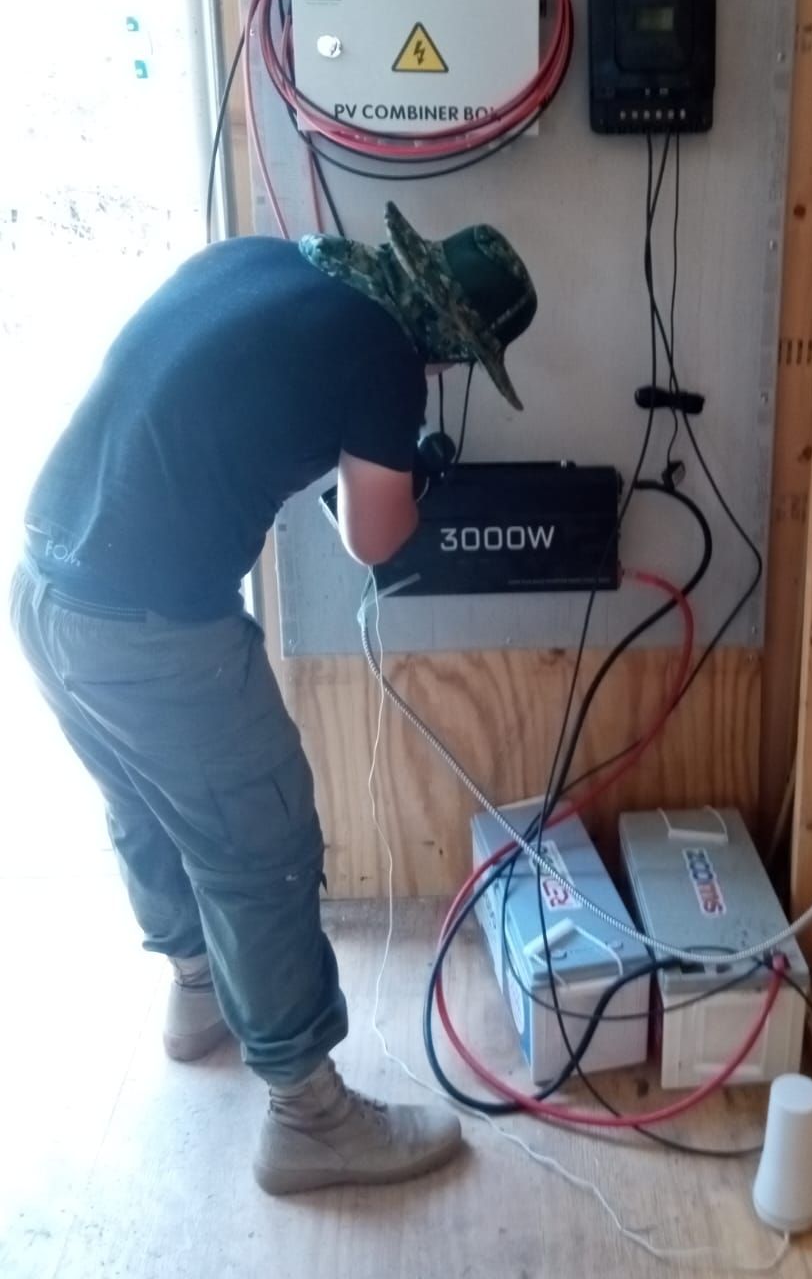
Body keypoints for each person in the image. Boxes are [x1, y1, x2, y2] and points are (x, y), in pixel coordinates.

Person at [9, 202, 537, 1196]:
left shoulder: (263, 259)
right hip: (153, 634)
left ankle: (197, 990)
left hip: (42, 590)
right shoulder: (385, 354)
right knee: (261, 848)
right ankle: (310, 1119)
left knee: (148, 802)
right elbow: (374, 540)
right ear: (446, 339)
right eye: (456, 359)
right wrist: (410, 467)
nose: (440, 374)